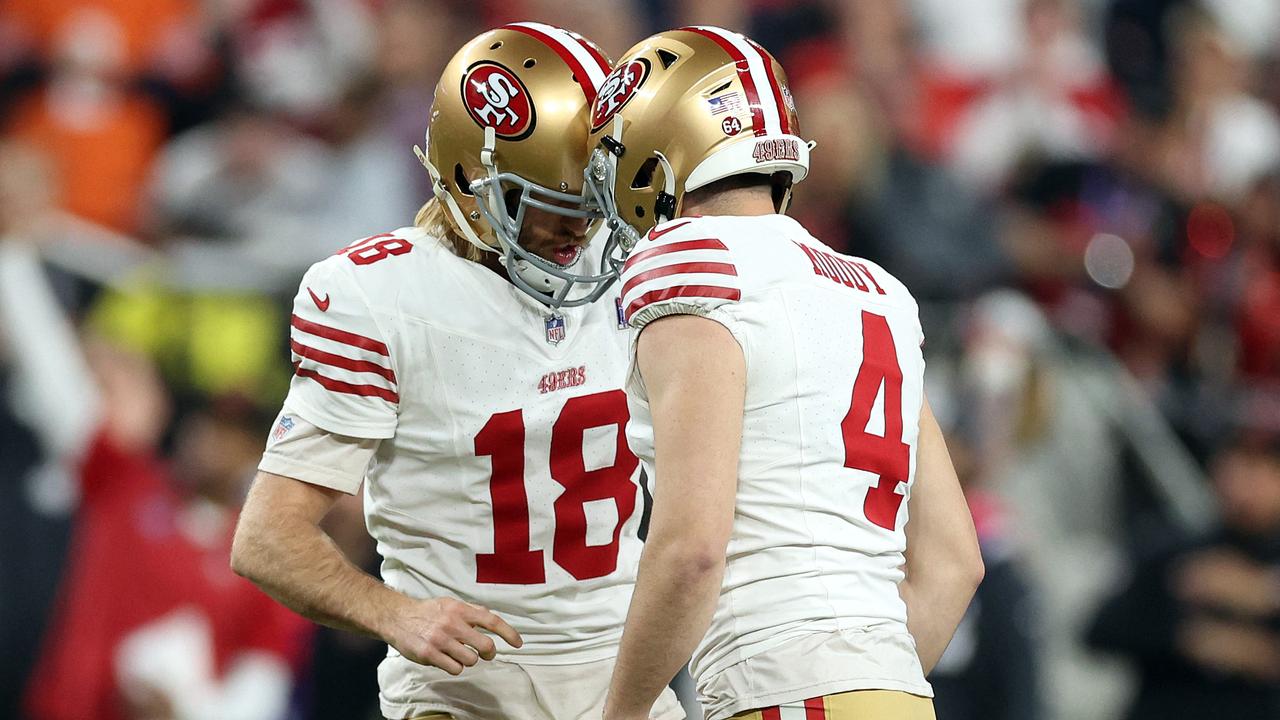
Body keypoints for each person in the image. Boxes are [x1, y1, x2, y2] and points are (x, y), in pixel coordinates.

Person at [229, 24, 683, 720]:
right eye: (550, 207)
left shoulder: (637, 270)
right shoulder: (381, 298)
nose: (579, 233)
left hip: (625, 680)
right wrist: (393, 613)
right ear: (470, 179)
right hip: (469, 691)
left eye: (592, 206)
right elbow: (267, 538)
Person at [582, 26, 985, 720]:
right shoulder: (878, 290)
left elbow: (693, 548)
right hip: (895, 696)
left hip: (783, 692)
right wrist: (858, 682)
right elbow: (954, 565)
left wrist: (618, 714)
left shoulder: (690, 263)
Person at [1087, 436, 1280, 720]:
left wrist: (1264, 599)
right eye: (1236, 463)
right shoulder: (1176, 551)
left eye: (1261, 468)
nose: (1244, 482)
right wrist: (1181, 636)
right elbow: (1099, 631)